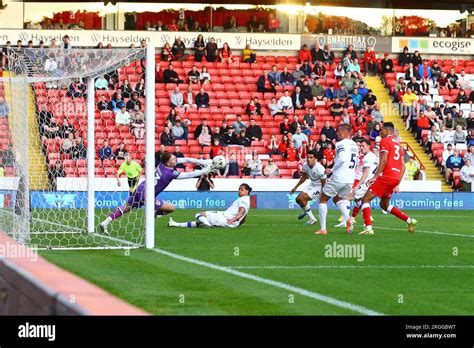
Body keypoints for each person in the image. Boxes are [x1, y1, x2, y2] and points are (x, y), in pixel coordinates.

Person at [100, 153, 220, 234]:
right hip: (147, 194)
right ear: (168, 163)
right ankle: (151, 219)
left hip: (141, 187)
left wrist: (203, 162)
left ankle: (105, 222)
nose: (175, 159)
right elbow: (188, 175)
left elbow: (187, 159)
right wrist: (206, 170)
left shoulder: (162, 164)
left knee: (126, 207)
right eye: (173, 159)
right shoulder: (170, 173)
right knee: (171, 208)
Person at [358, 122, 417, 235]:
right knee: (384, 205)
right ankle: (410, 220)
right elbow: (403, 166)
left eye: (381, 131)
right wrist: (397, 182)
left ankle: (368, 228)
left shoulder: (385, 141)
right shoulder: (399, 145)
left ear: (387, 130)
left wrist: (375, 177)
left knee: (365, 199)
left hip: (387, 176)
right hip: (396, 177)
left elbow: (383, 160)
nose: (380, 133)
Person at [315, 124, 359, 235]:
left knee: (323, 199)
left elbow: (343, 159)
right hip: (350, 179)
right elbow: (356, 162)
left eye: (339, 131)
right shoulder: (354, 144)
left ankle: (323, 229)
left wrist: (332, 169)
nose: (337, 133)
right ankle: (348, 219)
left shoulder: (340, 144)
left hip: (339, 177)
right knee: (337, 199)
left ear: (345, 132)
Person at [167, 183, 252, 228]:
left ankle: (208, 224)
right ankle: (175, 224)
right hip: (223, 216)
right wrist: (237, 224)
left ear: (247, 191)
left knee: (198, 214)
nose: (239, 191)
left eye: (242, 190)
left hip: (225, 219)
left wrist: (231, 222)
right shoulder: (246, 200)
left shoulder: (243, 199)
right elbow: (244, 217)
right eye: (239, 189)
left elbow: (241, 212)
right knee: (200, 222)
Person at [342, 139, 379, 226]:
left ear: (369, 146)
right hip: (373, 183)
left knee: (346, 198)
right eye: (360, 146)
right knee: (362, 201)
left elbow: (366, 173)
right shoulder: (374, 156)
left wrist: (356, 187)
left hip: (366, 184)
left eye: (363, 146)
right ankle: (367, 221)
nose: (361, 148)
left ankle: (347, 222)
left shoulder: (367, 157)